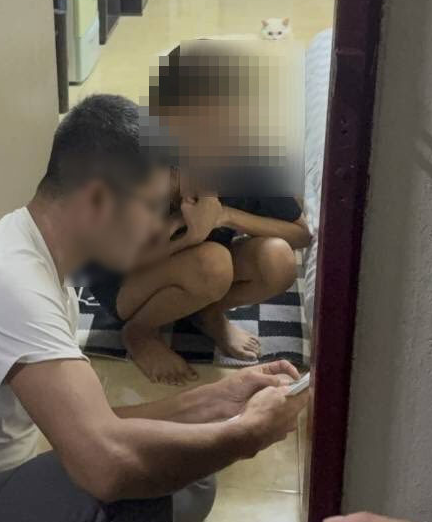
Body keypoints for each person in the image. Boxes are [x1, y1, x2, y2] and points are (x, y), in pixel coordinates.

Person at [0, 94, 309, 522]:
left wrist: (218, 404)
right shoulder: (7, 281)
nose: (159, 225)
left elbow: (94, 424)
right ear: (99, 200)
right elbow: (105, 464)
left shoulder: (41, 272)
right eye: (152, 206)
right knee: (138, 489)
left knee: (184, 473)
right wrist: (248, 434)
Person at [87, 43, 313, 385]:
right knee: (213, 263)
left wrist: (224, 216)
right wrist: (188, 234)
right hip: (126, 281)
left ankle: (207, 313)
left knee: (277, 259)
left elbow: (301, 234)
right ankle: (140, 332)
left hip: (194, 263)